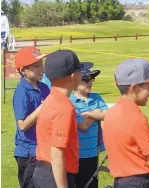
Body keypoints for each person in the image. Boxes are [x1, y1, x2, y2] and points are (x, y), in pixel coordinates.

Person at [103, 58, 149, 188]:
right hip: (139, 182)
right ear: (134, 87)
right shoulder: (137, 118)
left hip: (120, 182)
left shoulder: (110, 113)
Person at [32, 49, 93, 188]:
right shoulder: (63, 107)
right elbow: (57, 153)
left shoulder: (52, 98)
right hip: (54, 174)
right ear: (73, 76)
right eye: (80, 72)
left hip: (45, 171)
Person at [12, 46, 50, 188]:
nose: (42, 69)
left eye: (42, 64)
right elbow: (22, 125)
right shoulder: (22, 92)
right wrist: (42, 108)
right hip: (28, 152)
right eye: (36, 66)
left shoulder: (44, 88)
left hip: (44, 148)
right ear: (23, 71)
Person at [70, 68, 108, 188]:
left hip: (93, 152)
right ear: (75, 82)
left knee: (92, 183)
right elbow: (83, 126)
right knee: (80, 184)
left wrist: (89, 114)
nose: (90, 82)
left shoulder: (96, 97)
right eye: (85, 79)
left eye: (91, 79)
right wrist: (96, 112)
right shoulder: (71, 102)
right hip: (77, 154)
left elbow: (108, 115)